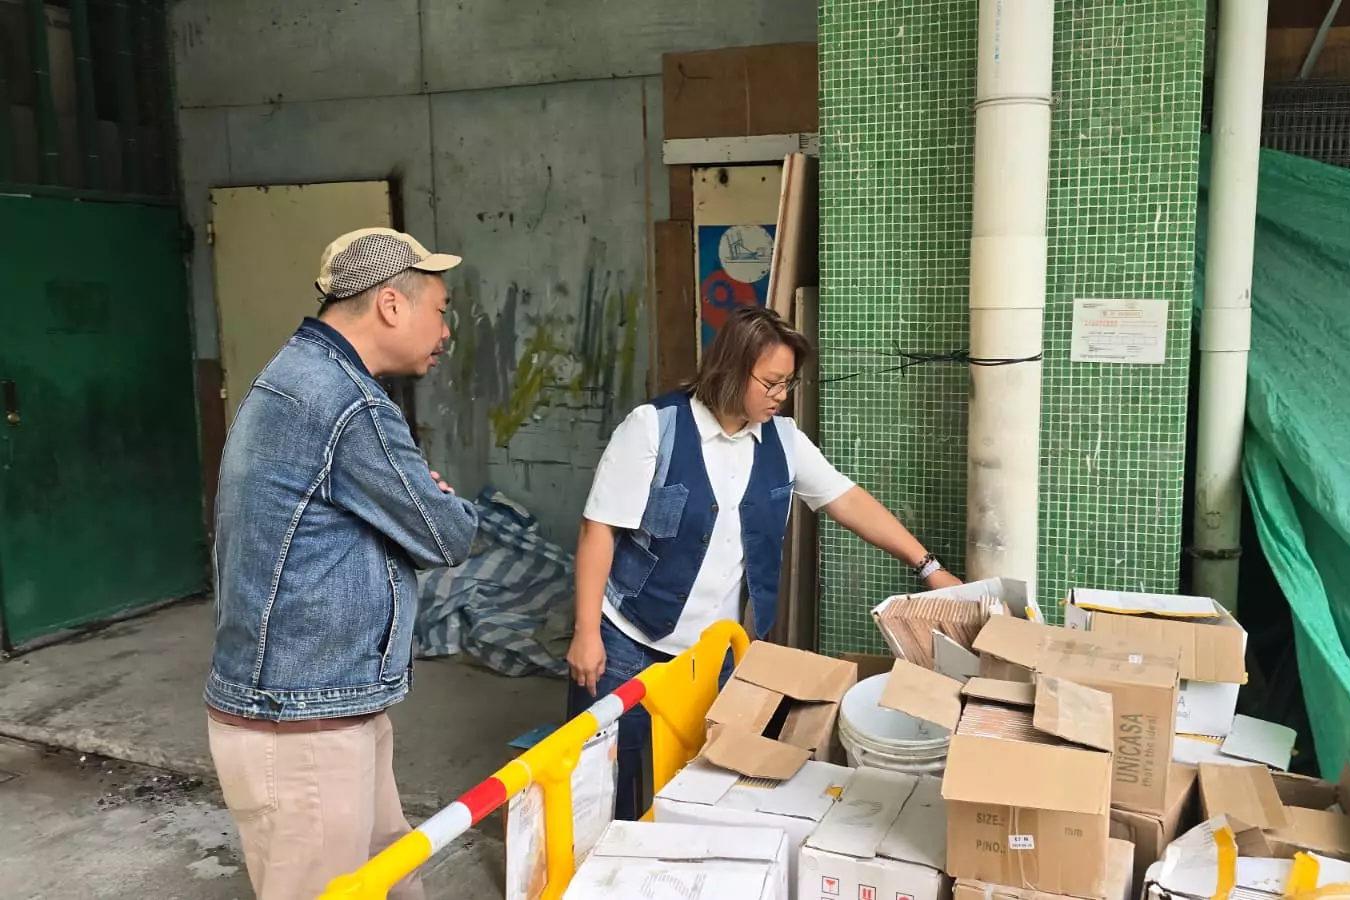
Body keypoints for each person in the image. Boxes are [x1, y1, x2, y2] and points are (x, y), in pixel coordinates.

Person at [566, 304, 962, 819]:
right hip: (628, 641)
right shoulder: (653, 428)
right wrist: (586, 632)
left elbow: (847, 500)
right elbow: (599, 527)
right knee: (601, 782)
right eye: (772, 383)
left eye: (787, 384)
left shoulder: (784, 440)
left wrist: (928, 566)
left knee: (699, 785)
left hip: (716, 654)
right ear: (730, 369)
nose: (780, 396)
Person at [205, 228, 479, 900]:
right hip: (303, 720)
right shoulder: (347, 403)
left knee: (389, 874)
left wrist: (414, 506)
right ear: (391, 304)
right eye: (441, 309)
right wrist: (436, 505)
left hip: (323, 703)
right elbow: (447, 536)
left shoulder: (297, 376)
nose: (445, 331)